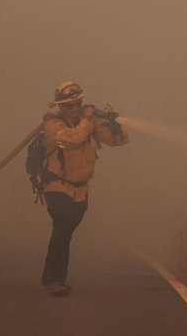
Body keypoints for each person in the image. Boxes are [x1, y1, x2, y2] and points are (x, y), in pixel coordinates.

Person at [38, 80, 129, 296]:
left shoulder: (89, 123)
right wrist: (89, 118)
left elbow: (120, 141)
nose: (74, 108)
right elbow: (73, 139)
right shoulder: (53, 125)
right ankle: (54, 279)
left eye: (77, 103)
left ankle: (54, 276)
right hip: (57, 186)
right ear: (60, 106)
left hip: (81, 190)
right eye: (69, 105)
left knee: (66, 231)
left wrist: (114, 125)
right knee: (62, 225)